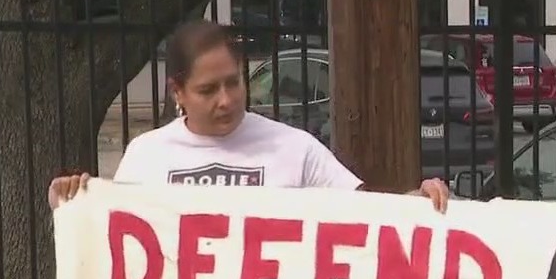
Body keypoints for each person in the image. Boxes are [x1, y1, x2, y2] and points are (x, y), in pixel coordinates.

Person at [47, 19, 449, 211]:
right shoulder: (146, 156)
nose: (226, 100)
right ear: (178, 91)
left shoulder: (294, 148)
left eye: (233, 82)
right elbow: (113, 245)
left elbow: (368, 217)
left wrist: (418, 201)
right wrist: (74, 202)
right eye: (208, 90)